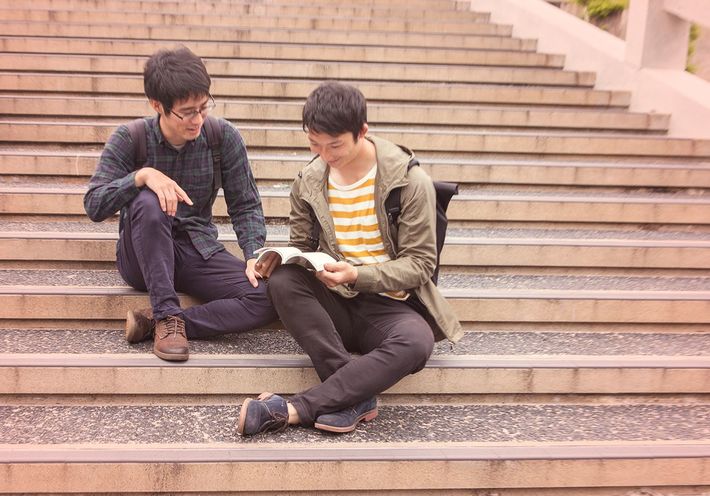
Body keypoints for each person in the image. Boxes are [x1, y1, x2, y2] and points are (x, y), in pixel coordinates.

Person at [238, 81, 463, 436]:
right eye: (315, 144)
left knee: (416, 343)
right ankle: (356, 397)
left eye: (335, 145)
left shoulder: (409, 181)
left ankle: (296, 408)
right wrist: (277, 259)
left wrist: (357, 275)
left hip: (391, 307)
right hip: (334, 301)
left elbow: (420, 264)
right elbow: (301, 246)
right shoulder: (309, 180)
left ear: (362, 131)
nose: (325, 155)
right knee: (283, 280)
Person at [84, 47, 277, 362]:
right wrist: (141, 177)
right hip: (141, 255)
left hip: (196, 249)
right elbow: (94, 203)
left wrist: (253, 254)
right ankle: (167, 313)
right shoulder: (131, 138)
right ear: (157, 105)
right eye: (187, 112)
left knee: (269, 295)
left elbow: (245, 204)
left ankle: (157, 322)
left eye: (203, 107)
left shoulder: (222, 137)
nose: (197, 119)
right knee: (149, 200)